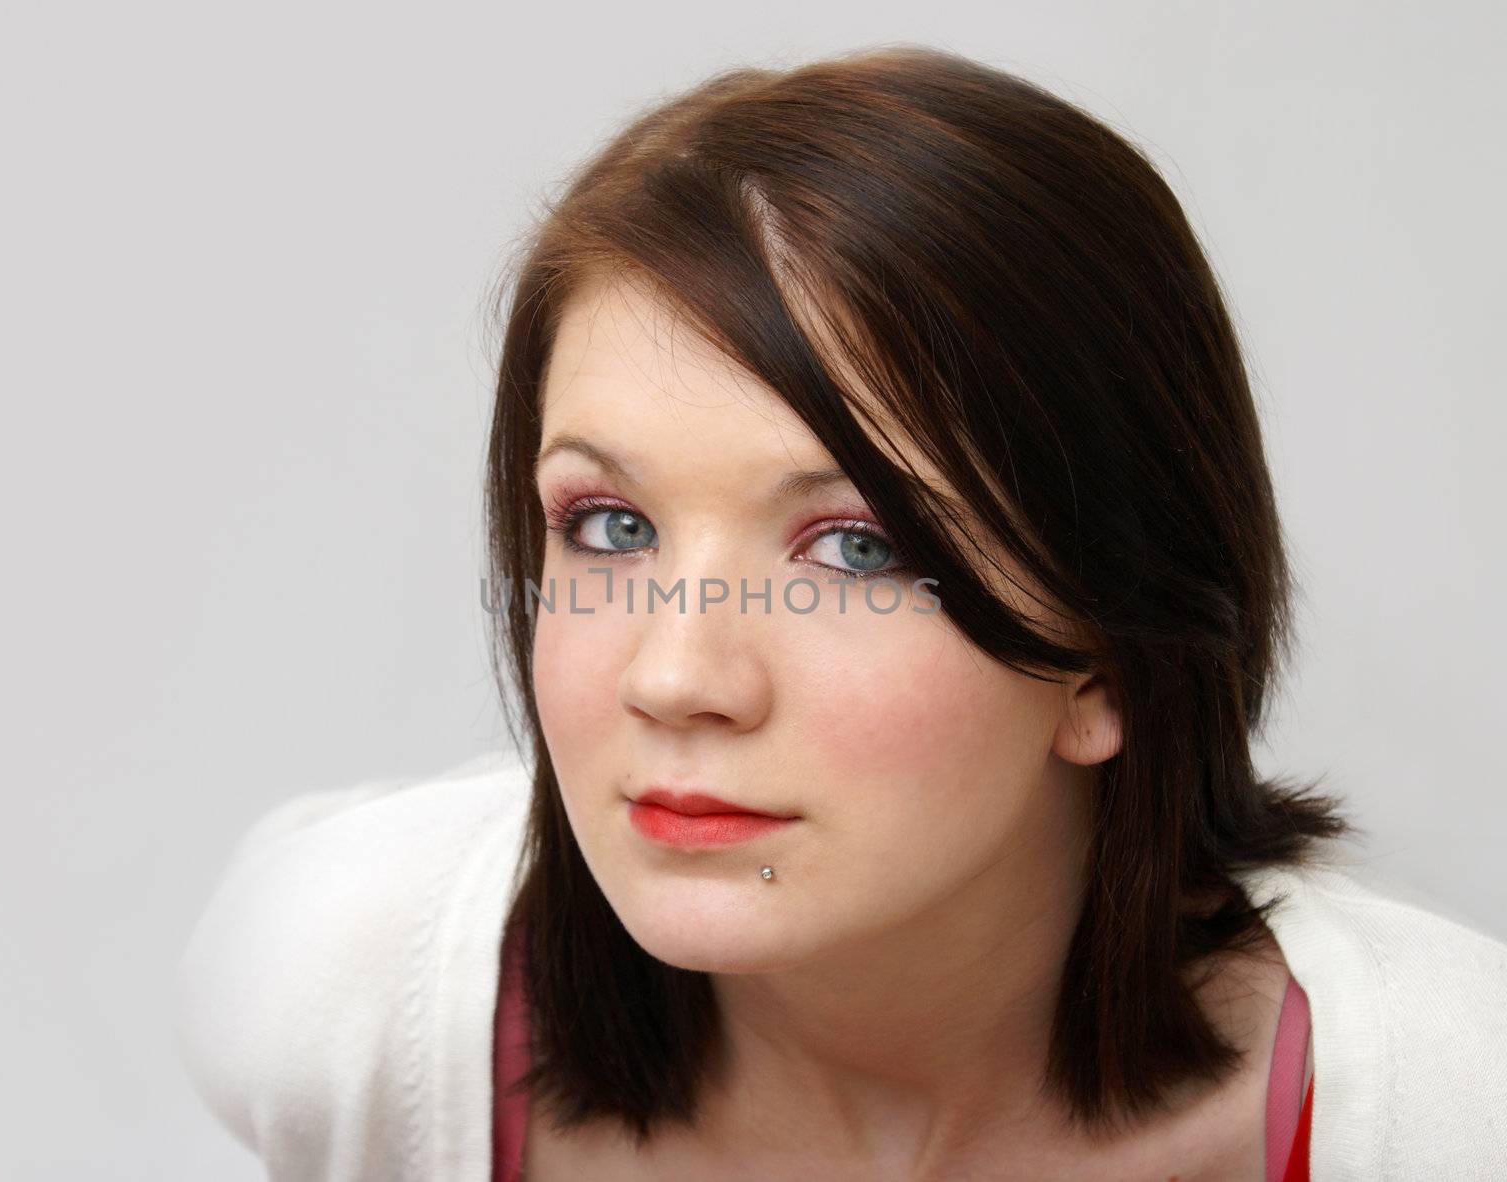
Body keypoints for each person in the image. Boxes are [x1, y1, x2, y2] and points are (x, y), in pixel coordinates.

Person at [176, 45, 1507, 1180]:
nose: (679, 675)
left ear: (1108, 656)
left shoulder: (1448, 1110)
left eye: (858, 545)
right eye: (612, 525)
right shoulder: (353, 986)